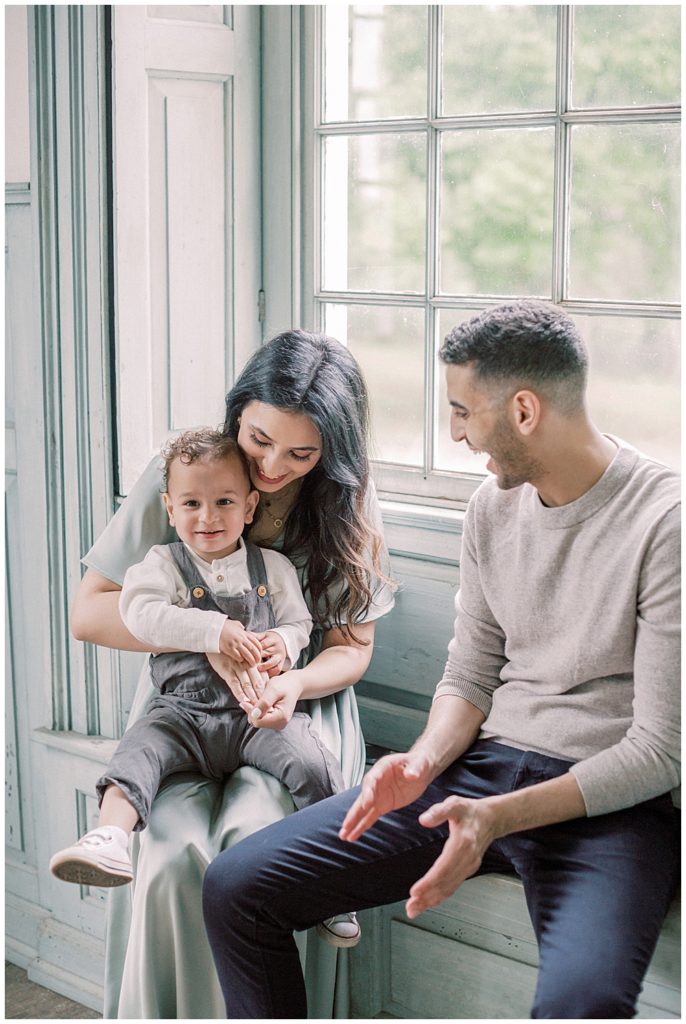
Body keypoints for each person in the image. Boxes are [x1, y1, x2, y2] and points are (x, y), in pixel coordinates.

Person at [202, 300, 680, 1020]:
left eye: (463, 411)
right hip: (481, 770)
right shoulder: (493, 507)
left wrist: (498, 816)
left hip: (608, 806)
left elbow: (660, 751)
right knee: (238, 889)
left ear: (523, 410)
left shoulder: (664, 520)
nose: (454, 433)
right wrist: (423, 762)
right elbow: (471, 673)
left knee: (583, 1003)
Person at [69, 331, 395, 1017]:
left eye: (301, 453)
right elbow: (91, 613)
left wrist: (291, 681)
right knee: (163, 856)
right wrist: (207, 638)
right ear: (237, 410)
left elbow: (349, 647)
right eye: (259, 440)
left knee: (254, 851)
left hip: (292, 707)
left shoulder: (345, 508)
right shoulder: (189, 472)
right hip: (180, 708)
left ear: (331, 453)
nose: (274, 466)